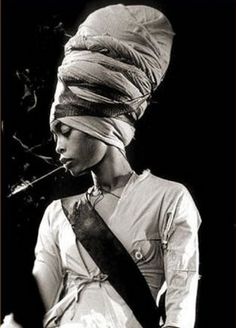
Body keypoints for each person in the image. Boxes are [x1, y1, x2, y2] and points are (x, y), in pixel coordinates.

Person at [5, 4, 201, 328]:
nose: (57, 146)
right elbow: (29, 314)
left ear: (100, 123)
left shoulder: (170, 201)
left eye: (65, 131)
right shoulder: (57, 214)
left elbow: (181, 313)